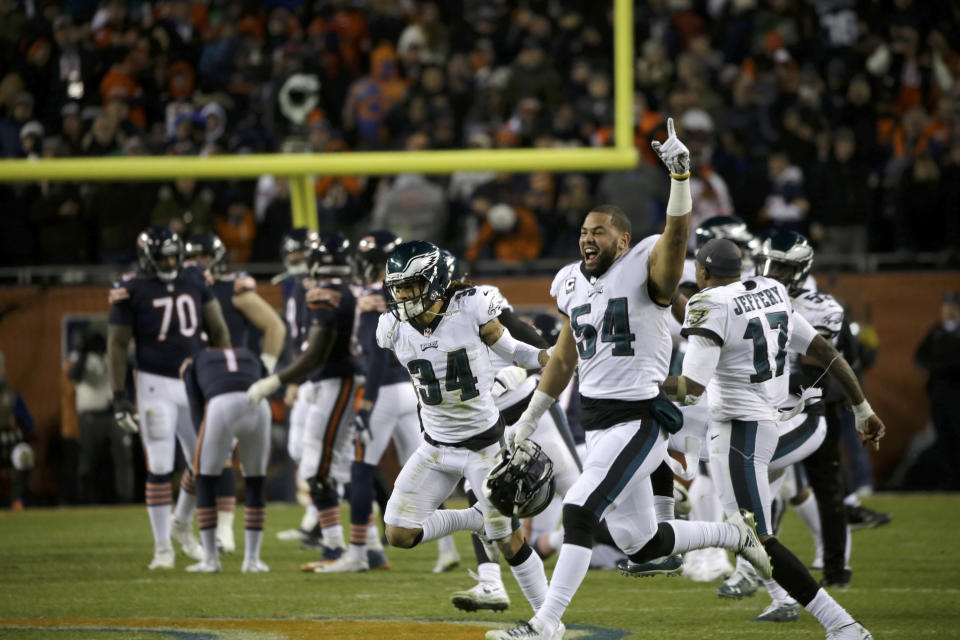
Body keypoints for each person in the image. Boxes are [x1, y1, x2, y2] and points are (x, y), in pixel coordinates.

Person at [488, 119, 772, 640]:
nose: (586, 238)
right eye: (582, 231)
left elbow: (677, 237)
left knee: (578, 510)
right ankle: (733, 533)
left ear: (622, 239)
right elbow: (564, 357)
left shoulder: (645, 266)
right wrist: (528, 420)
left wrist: (680, 178)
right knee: (641, 540)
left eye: (597, 231)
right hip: (596, 421)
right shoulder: (570, 281)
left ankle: (545, 624)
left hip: (638, 417)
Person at [663, 237, 884, 639]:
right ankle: (780, 597)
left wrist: (641, 384)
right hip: (762, 423)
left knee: (756, 539)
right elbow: (827, 352)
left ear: (703, 272)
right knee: (747, 535)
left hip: (739, 431)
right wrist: (863, 407)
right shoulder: (772, 291)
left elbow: (691, 387)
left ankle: (842, 625)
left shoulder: (709, 304)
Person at [372, 239, 554, 617]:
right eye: (398, 287)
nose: (403, 295)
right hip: (435, 447)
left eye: (412, 285)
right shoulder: (390, 327)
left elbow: (512, 350)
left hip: (483, 447)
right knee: (397, 534)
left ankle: (548, 620)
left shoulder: (471, 306)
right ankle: (475, 517)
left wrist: (545, 357)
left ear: (436, 281)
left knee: (509, 540)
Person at [443, 250, 581, 613]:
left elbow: (532, 342)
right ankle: (490, 583)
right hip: (484, 420)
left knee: (579, 493)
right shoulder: (418, 324)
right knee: (482, 494)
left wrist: (518, 371)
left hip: (526, 408)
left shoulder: (480, 300)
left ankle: (650, 540)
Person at [107, 227, 231, 569]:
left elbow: (218, 328)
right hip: (153, 384)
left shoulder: (194, 277)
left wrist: (226, 373)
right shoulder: (130, 287)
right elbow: (117, 344)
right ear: (147, 258)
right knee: (161, 464)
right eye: (162, 257)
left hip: (192, 380)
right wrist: (119, 396)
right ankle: (162, 548)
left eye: (174, 255)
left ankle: (180, 522)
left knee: (203, 462)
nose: (169, 262)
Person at [247, 232, 359, 563]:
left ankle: (341, 544)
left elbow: (315, 355)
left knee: (325, 467)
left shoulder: (328, 293)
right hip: (334, 380)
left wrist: (275, 381)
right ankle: (339, 542)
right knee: (321, 463)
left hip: (338, 380)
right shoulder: (347, 289)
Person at [310, 229, 417, 573]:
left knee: (360, 469)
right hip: (409, 387)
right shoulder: (410, 293)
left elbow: (374, 357)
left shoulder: (373, 296)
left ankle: (357, 553)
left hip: (381, 389)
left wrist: (367, 403)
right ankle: (378, 548)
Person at [185, 232, 286, 553]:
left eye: (204, 256)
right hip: (194, 377)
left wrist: (267, 369)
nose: (199, 263)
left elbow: (275, 326)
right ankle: (186, 523)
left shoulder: (232, 288)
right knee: (202, 457)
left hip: (230, 381)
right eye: (194, 256)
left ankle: (223, 530)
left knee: (223, 456)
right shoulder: (179, 287)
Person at [180, 347, 271, 573]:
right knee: (256, 481)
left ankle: (210, 560)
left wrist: (207, 436)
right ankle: (252, 560)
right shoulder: (250, 354)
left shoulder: (194, 360)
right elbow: (266, 378)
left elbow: (195, 405)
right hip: (258, 405)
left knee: (206, 480)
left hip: (221, 405)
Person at [69, 329, 133, 504]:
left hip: (112, 415)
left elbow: (129, 367)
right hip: (89, 417)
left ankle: (125, 497)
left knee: (123, 457)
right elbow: (73, 375)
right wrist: (85, 352)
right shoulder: (83, 360)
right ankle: (85, 499)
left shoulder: (109, 357)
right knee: (87, 460)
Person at [915, 290, 960, 490]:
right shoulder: (937, 331)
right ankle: (950, 481)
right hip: (939, 393)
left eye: (952, 306)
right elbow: (919, 356)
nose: (948, 310)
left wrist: (944, 366)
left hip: (957, 391)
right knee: (943, 436)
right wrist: (935, 366)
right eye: (945, 306)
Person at [0, 351, 35, 510]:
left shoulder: (11, 394)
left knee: (24, 453)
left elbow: (29, 424)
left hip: (8, 442)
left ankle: (17, 500)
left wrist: (18, 424)